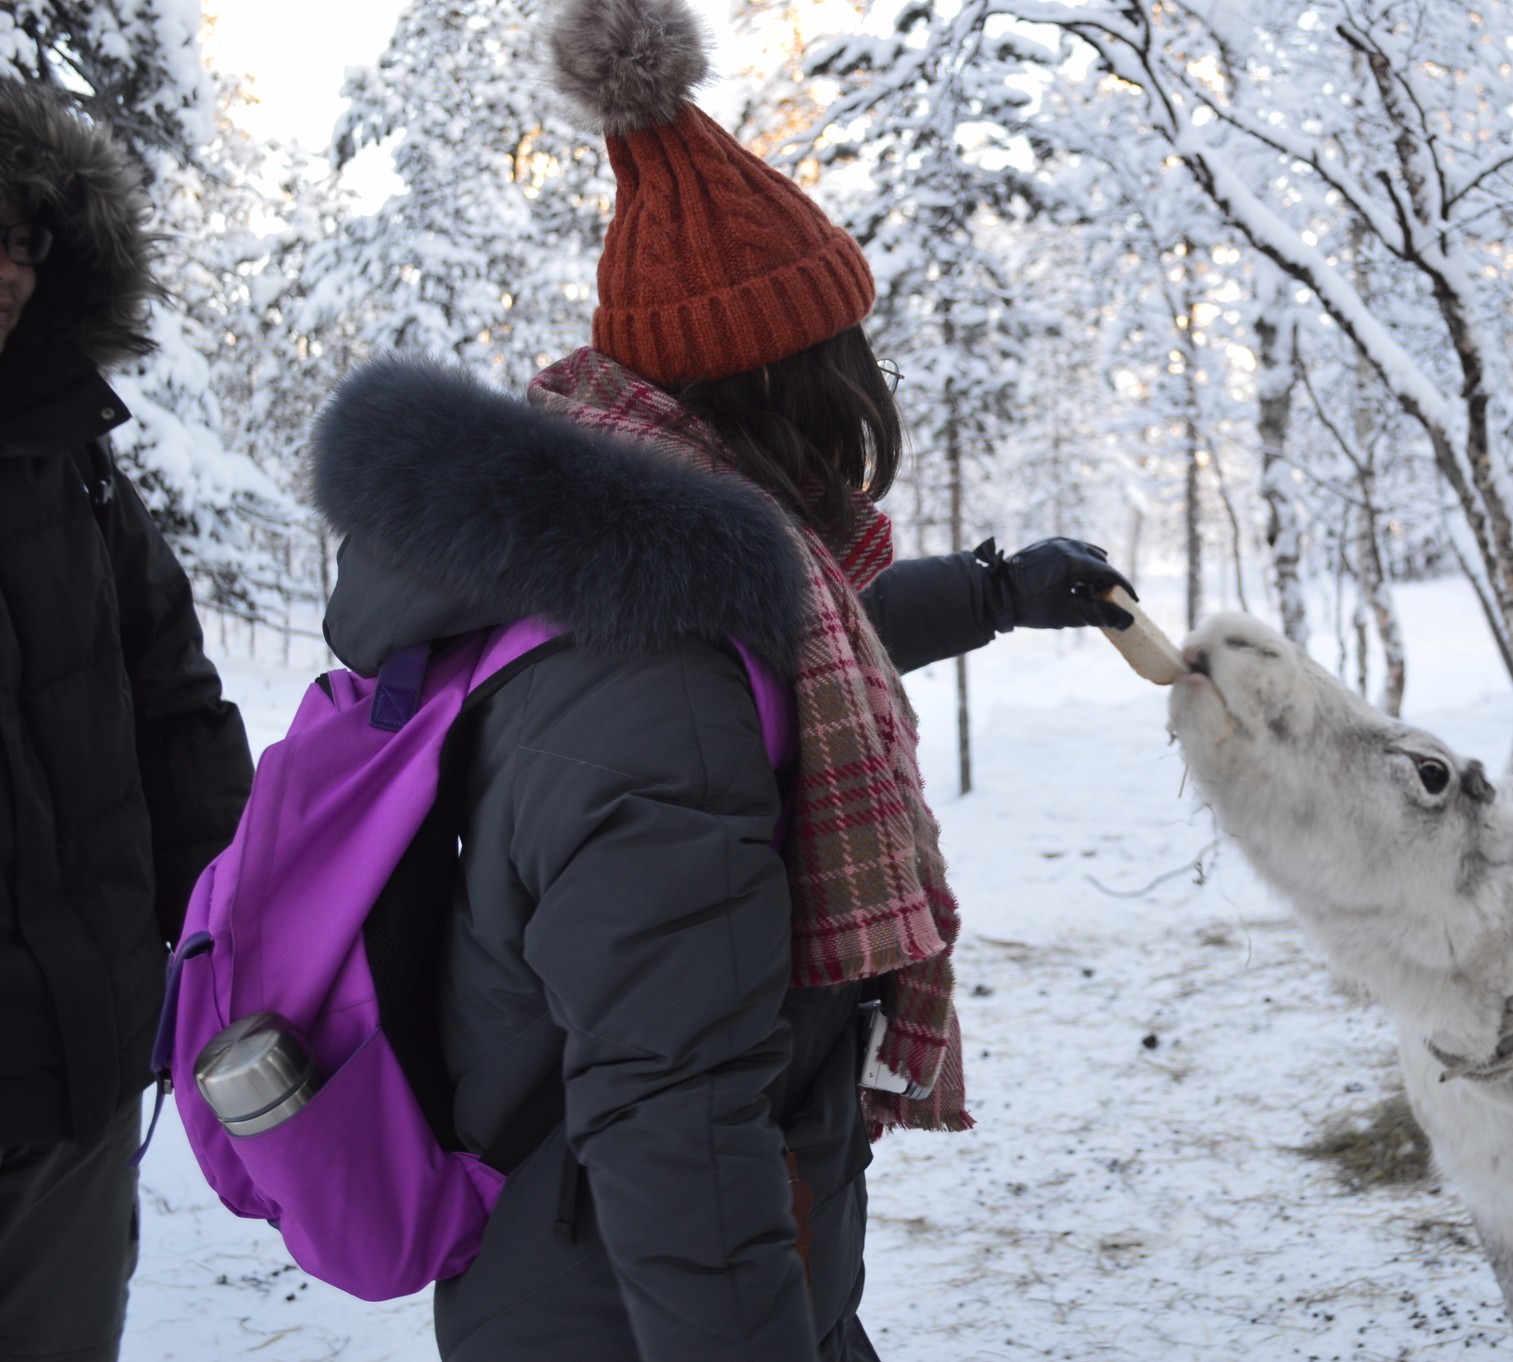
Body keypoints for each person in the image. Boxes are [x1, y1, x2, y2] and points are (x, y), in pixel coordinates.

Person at [301, 1, 1137, 1358]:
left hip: (619, 1267)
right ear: (786, 384)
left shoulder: (624, 573)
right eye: (844, 353)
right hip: (632, 1304)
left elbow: (807, 652)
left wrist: (996, 591)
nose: (869, 393)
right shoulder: (660, 703)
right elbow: (677, 1126)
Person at [0, 77, 254, 1362]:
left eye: (21, 239)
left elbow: (177, 713)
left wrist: (227, 942)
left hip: (72, 1082)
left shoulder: (71, 463)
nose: (1, 270)